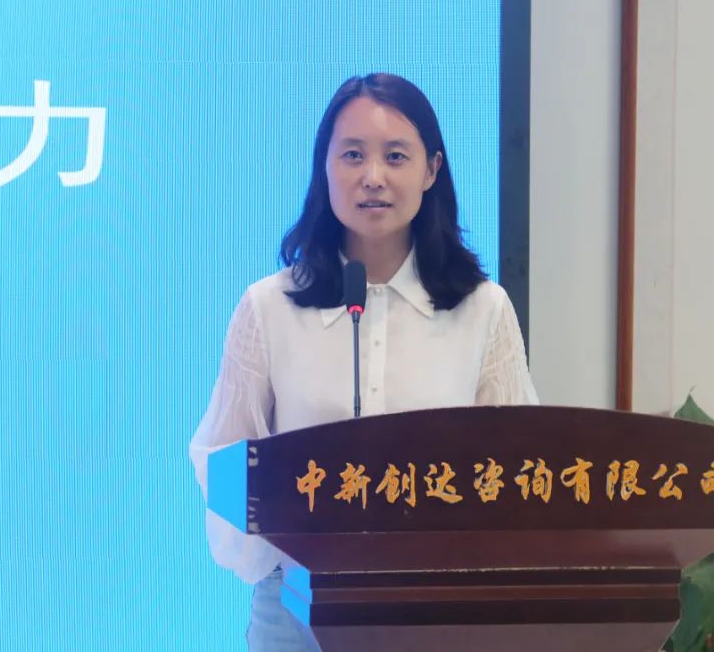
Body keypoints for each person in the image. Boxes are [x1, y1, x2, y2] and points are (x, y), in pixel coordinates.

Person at [189, 73, 538, 651]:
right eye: (352, 155)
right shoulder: (269, 307)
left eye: (395, 156)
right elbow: (222, 455)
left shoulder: (482, 309)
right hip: (296, 610)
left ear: (431, 171)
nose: (372, 176)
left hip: (435, 611)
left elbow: (517, 467)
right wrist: (279, 536)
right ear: (325, 168)